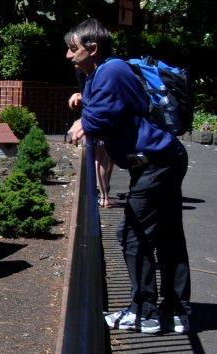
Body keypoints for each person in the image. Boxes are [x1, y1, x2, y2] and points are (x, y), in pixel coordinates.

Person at [64, 19, 191, 334]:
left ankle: (144, 311)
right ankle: (177, 311)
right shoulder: (101, 72)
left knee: (132, 234)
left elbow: (105, 111)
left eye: (73, 48)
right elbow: (109, 103)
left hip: (157, 161)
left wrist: (85, 121)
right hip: (160, 159)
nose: (68, 56)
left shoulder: (112, 70)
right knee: (167, 235)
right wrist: (85, 102)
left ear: (92, 48)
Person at [69, 90, 115, 207]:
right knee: (103, 160)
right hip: (107, 120)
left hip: (97, 118)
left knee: (102, 160)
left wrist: (79, 95)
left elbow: (92, 95)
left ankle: (104, 195)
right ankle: (104, 195)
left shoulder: (94, 78)